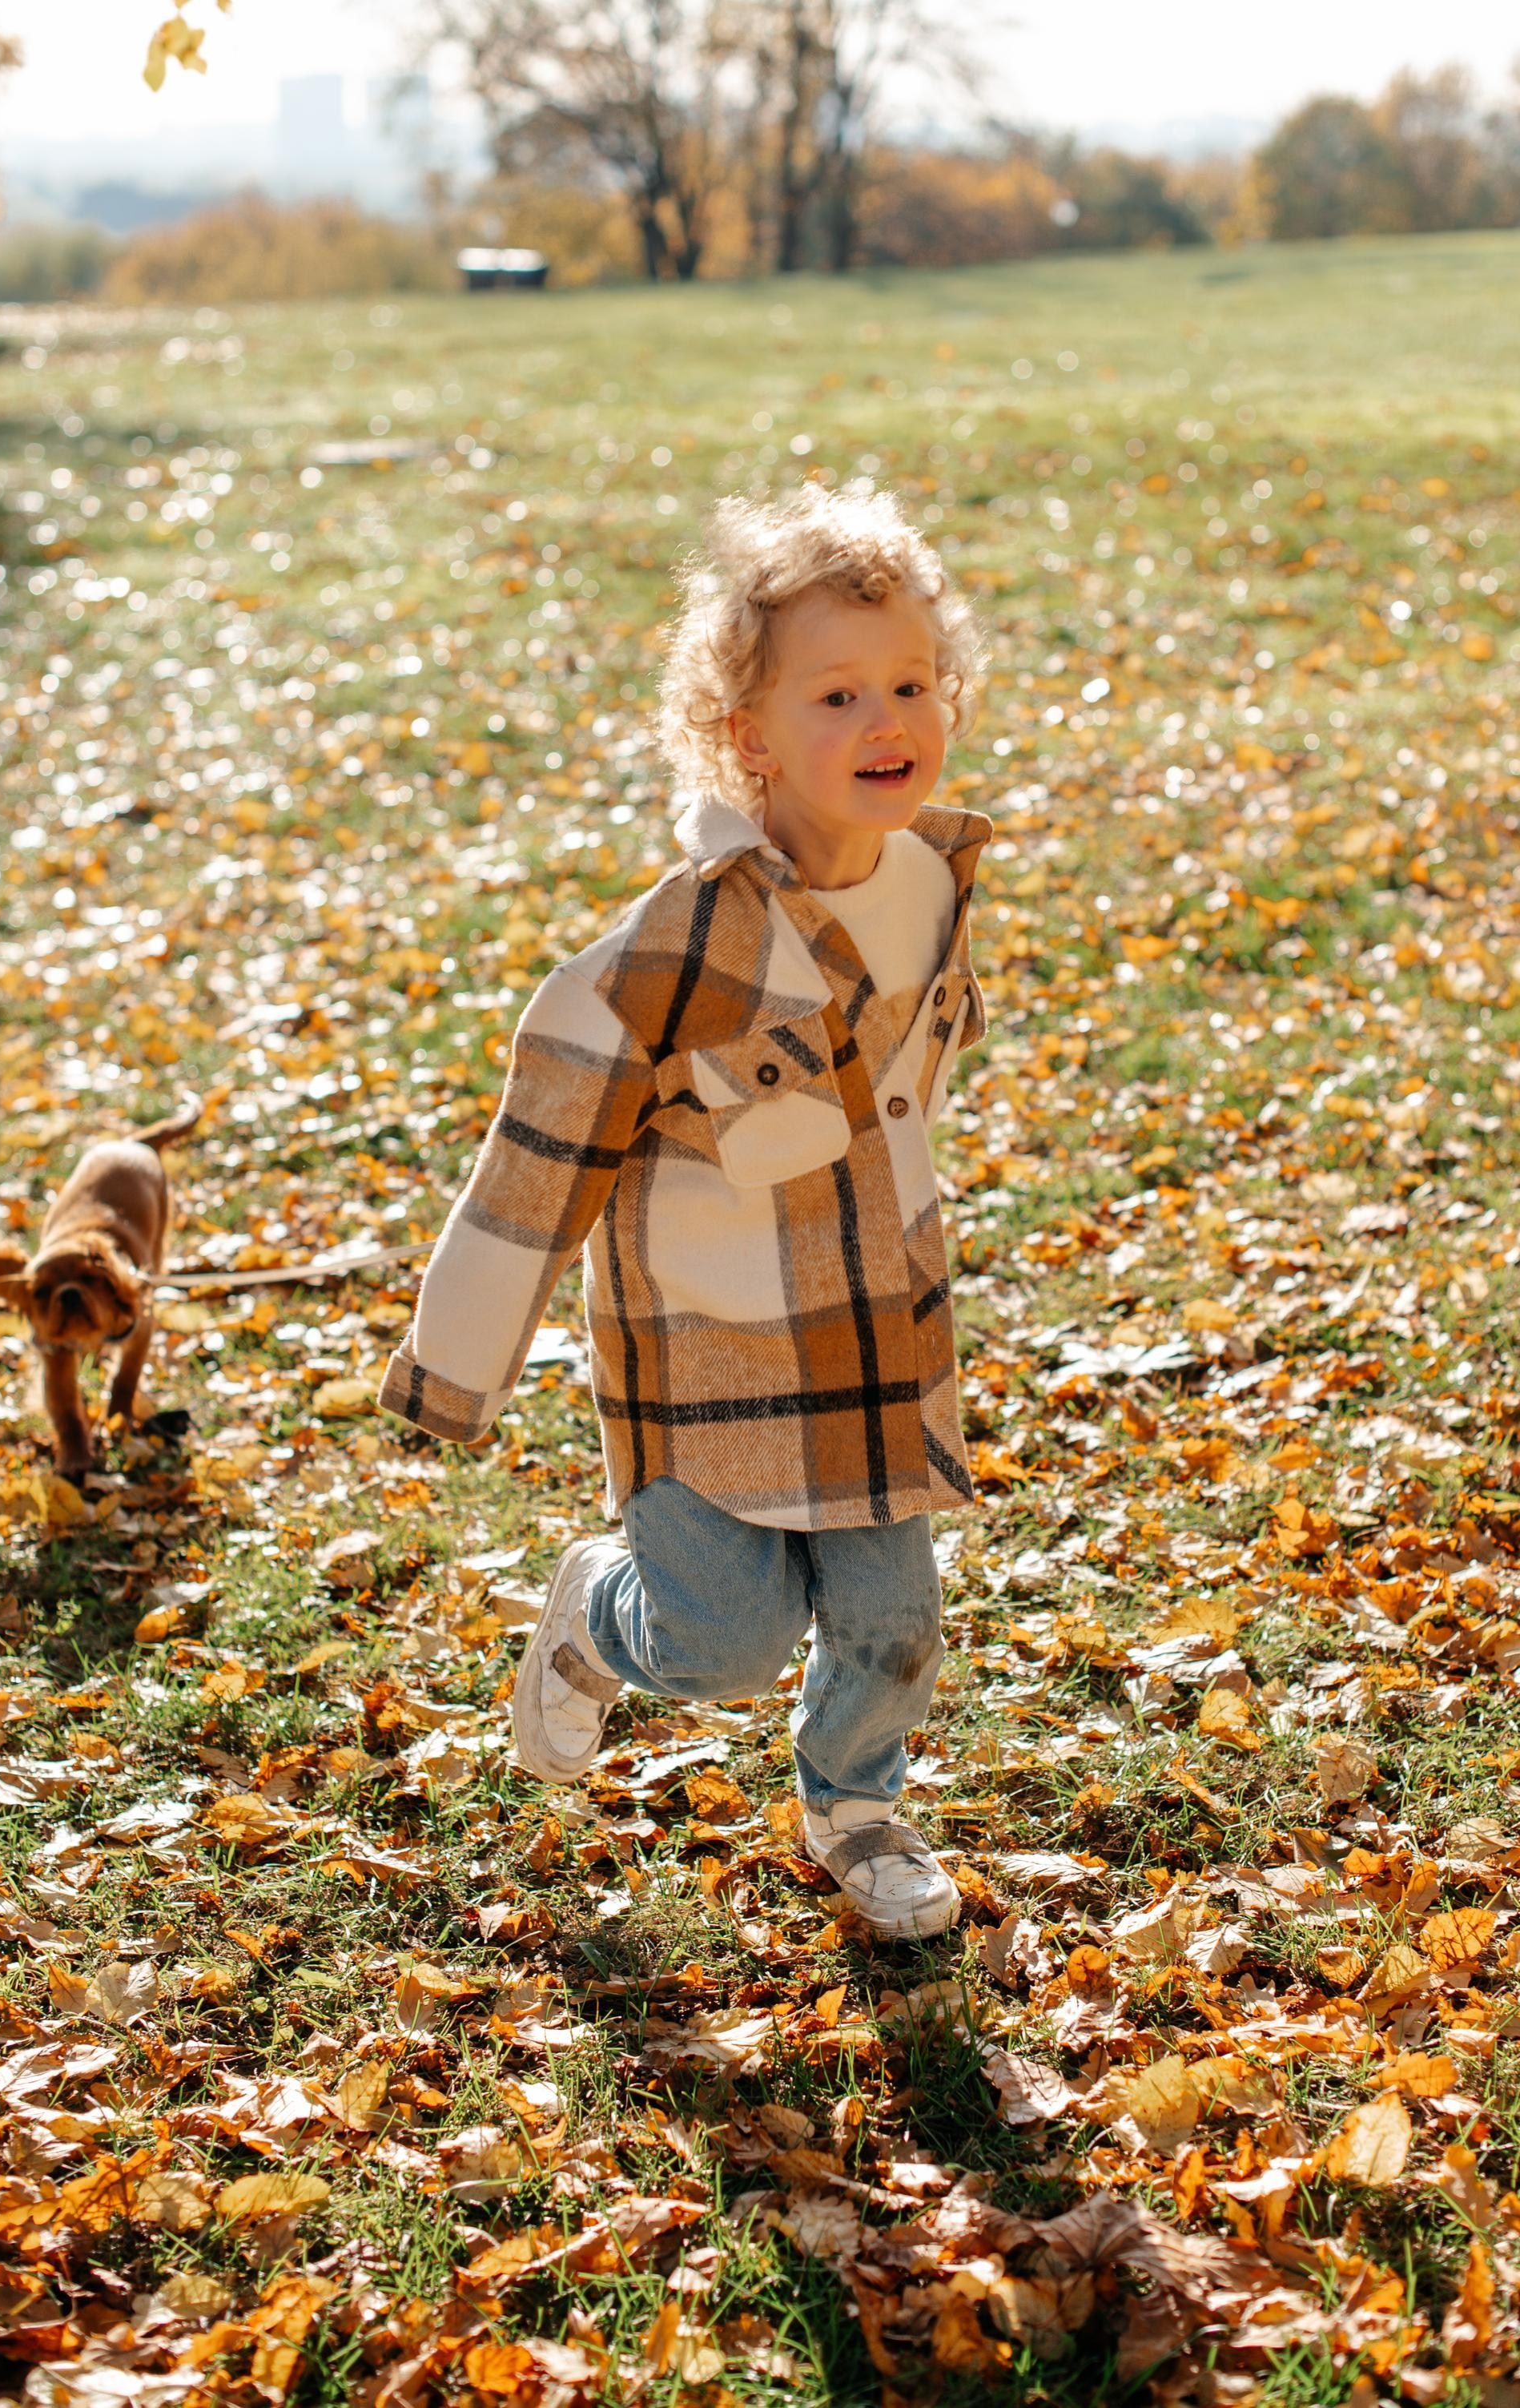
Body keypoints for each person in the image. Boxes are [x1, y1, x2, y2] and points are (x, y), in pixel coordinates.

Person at [376, 480, 992, 1939]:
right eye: (836, 693)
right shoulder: (667, 955)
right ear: (746, 738)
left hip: (871, 1333)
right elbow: (534, 1170)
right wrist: (457, 1371)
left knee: (897, 1623)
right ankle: (596, 1615)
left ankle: (856, 1799)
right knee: (721, 1643)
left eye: (910, 682)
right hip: (710, 1347)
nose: (885, 717)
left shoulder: (930, 883)